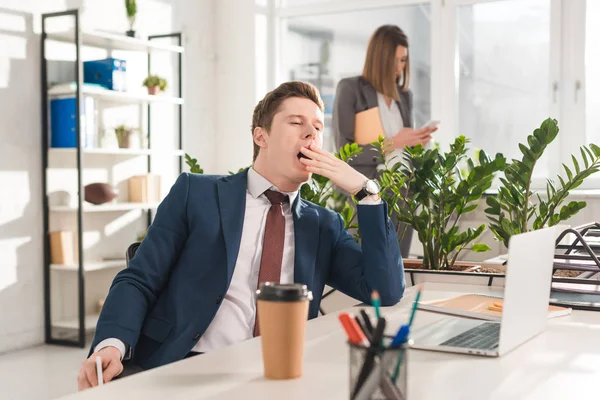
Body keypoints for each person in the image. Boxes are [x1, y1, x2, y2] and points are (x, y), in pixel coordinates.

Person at [77, 81, 405, 390]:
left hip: (279, 375)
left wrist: (366, 193)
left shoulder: (323, 224)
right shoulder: (197, 194)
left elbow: (385, 291)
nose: (312, 134)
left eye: (318, 127)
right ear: (261, 136)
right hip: (188, 366)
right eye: (296, 122)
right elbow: (140, 279)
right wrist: (112, 345)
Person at [332, 24, 437, 258]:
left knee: (397, 263)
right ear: (380, 58)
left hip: (403, 190)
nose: (401, 67)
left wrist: (414, 142)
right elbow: (344, 153)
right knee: (367, 261)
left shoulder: (404, 97)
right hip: (364, 189)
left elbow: (402, 147)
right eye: (397, 60)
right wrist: (393, 142)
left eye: (404, 60)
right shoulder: (351, 89)